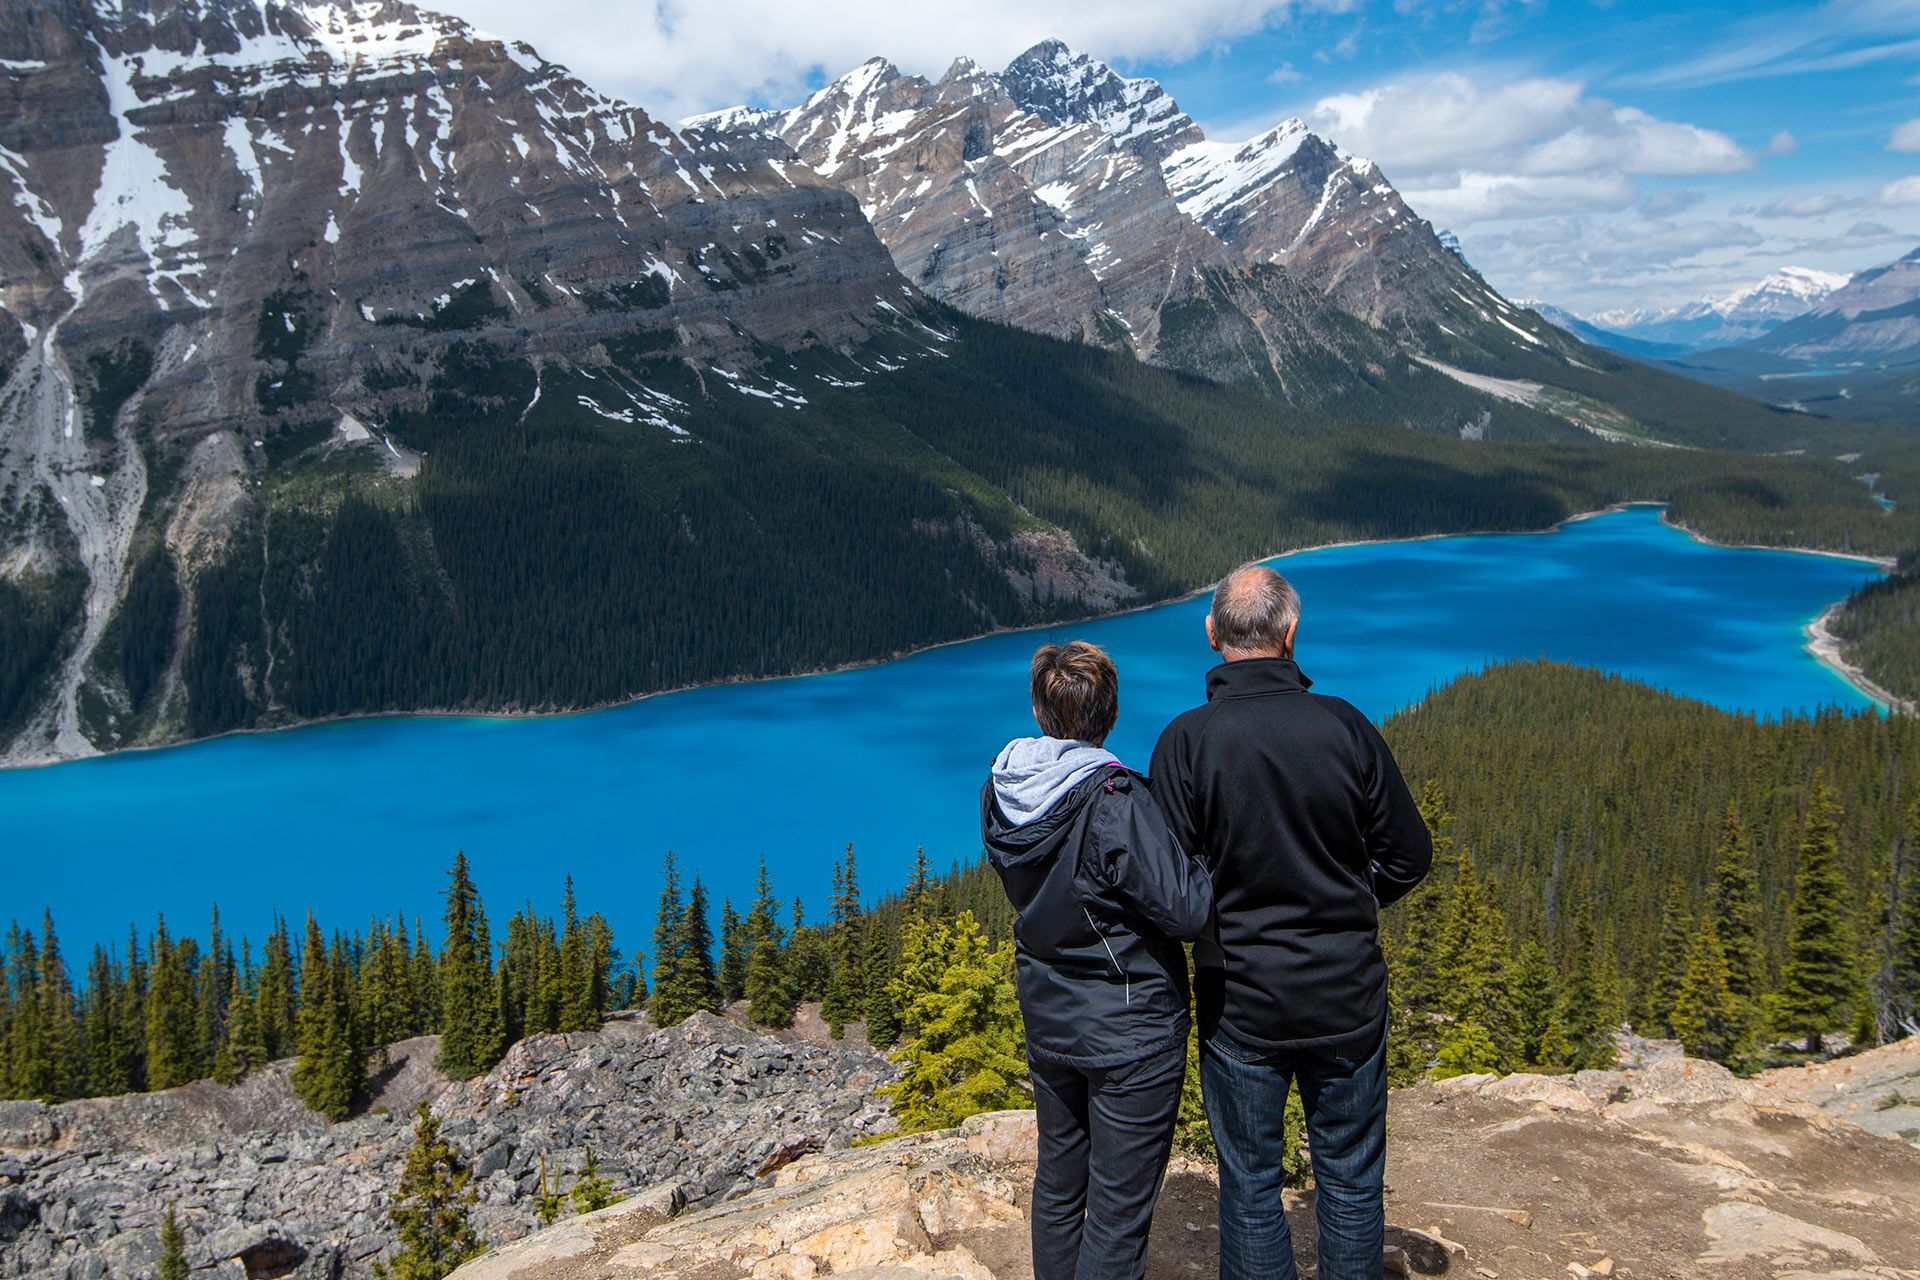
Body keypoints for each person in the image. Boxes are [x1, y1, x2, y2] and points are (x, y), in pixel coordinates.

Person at [1148, 566, 1432, 1280]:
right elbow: (1409, 855)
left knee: (1248, 1186)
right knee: (1351, 1179)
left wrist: (1221, 921)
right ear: (1291, 635)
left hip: (1241, 1002)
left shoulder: (1187, 742)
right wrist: (1350, 901)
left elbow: (1169, 887)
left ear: (1212, 635)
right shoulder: (1345, 726)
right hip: (1347, 994)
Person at [982, 640, 1215, 1280]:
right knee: (1117, 1215)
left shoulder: (1002, 789)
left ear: (1038, 709)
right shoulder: (1114, 801)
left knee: (1059, 1185)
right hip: (1129, 1029)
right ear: (1109, 713)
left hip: (1050, 1017)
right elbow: (1189, 911)